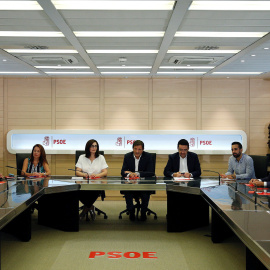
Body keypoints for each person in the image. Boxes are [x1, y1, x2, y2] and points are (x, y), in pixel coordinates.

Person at [121, 140, 155, 221]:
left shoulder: (148, 156)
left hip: (144, 184)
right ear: (132, 148)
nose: (137, 151)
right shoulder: (127, 156)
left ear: (143, 150)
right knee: (127, 191)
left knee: (145, 192)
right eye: (135, 149)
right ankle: (131, 211)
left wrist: (138, 174)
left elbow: (151, 172)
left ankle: (143, 212)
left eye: (139, 149)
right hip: (130, 184)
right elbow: (123, 171)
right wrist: (129, 174)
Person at [76, 139, 108, 221]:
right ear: (88, 147)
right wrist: (85, 175)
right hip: (84, 183)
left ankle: (86, 208)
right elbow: (77, 172)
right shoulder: (82, 157)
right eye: (92, 146)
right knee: (77, 191)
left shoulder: (101, 157)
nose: (94, 148)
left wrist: (96, 175)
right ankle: (90, 207)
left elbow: (105, 172)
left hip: (96, 184)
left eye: (95, 146)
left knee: (94, 191)